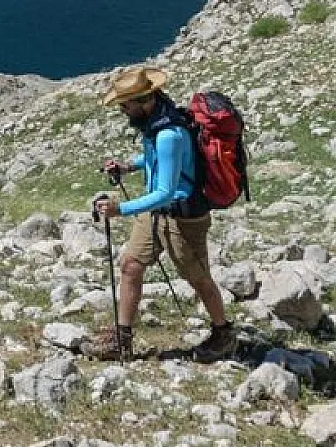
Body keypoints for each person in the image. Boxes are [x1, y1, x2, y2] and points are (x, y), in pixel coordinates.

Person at [82, 65, 236, 362]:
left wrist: (120, 209)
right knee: (131, 265)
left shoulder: (169, 134)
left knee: (199, 279)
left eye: (126, 104)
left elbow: (165, 190)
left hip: (182, 217)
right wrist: (130, 166)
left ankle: (223, 334)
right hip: (155, 213)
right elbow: (157, 160)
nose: (123, 110)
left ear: (144, 100)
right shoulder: (157, 123)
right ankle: (122, 338)